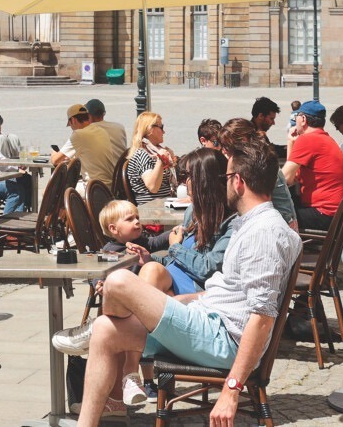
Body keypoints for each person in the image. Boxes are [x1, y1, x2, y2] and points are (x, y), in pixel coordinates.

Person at [51, 134, 301, 423]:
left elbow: (262, 317)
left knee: (119, 281)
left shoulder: (264, 233)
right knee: (108, 330)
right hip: (206, 320)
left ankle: (88, 332)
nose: (225, 181)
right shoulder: (253, 224)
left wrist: (232, 389)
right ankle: (97, 412)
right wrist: (177, 302)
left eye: (228, 174)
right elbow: (232, 294)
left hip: (222, 340)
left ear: (239, 181)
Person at [156, 147, 236, 295]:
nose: (185, 181)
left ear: (206, 179)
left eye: (189, 175)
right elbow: (178, 260)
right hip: (173, 279)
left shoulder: (232, 223)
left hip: (199, 290)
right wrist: (146, 258)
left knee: (151, 273)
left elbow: (208, 269)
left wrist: (175, 247)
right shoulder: (192, 212)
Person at [281, 99, 343, 232]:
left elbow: (284, 179)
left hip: (324, 214)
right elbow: (292, 178)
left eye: (296, 117)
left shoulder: (308, 139)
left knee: (274, 215)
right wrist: (291, 142)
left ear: (303, 119)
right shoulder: (324, 138)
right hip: (337, 213)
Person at [221, 117, 298, 231]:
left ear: (242, 140)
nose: (223, 151)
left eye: (227, 147)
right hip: (284, 222)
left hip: (279, 226)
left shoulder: (256, 165)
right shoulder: (263, 156)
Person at [97, 199, 173, 292]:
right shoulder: (109, 251)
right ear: (114, 229)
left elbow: (156, 241)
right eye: (130, 219)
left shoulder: (139, 241)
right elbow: (98, 271)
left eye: (137, 218)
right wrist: (100, 283)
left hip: (145, 286)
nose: (137, 221)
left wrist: (172, 232)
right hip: (123, 293)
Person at [52, 102, 121, 184]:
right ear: (88, 117)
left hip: (93, 187)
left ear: (73, 120)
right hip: (109, 185)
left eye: (70, 124)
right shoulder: (101, 130)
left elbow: (55, 160)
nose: (71, 128)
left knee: (49, 192)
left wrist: (53, 152)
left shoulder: (78, 134)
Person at [124, 111, 177, 203]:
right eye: (161, 127)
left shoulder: (155, 152)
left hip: (163, 205)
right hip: (150, 210)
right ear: (150, 130)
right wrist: (161, 160)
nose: (164, 131)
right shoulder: (142, 154)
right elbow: (153, 186)